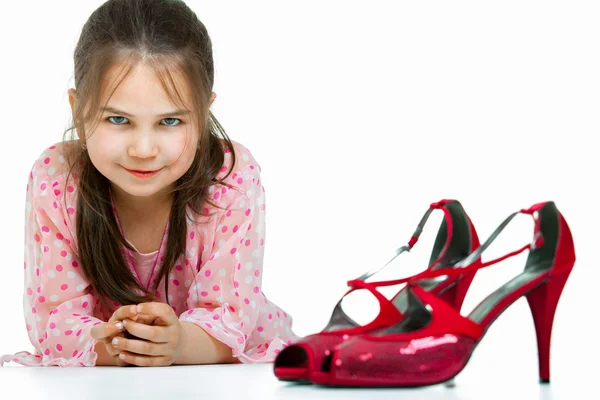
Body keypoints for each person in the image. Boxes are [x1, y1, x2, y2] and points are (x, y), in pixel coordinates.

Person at [0, 0, 296, 367]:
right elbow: (53, 325)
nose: (143, 149)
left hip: (228, 372)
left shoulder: (230, 176)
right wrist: (132, 347)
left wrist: (176, 344)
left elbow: (231, 321)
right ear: (78, 112)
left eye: (170, 121)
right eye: (118, 119)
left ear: (204, 114)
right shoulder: (57, 179)